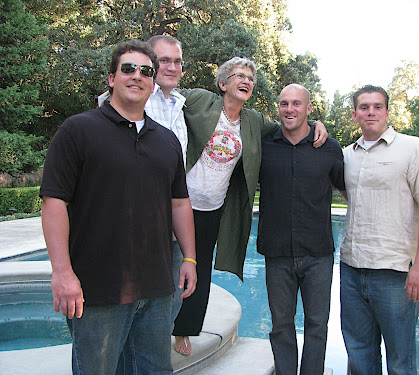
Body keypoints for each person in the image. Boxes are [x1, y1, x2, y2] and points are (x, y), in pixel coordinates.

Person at [40, 39, 196, 375]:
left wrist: (189, 258)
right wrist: (62, 272)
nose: (137, 76)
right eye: (128, 68)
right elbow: (54, 202)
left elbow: (180, 203)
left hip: (156, 288)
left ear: (154, 83)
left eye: (146, 71)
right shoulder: (78, 130)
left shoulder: (166, 141)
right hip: (97, 290)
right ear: (111, 78)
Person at [172, 58, 329, 355]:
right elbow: (167, 97)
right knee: (167, 263)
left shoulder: (254, 121)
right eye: (238, 76)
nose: (246, 81)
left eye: (250, 78)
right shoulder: (201, 101)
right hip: (180, 202)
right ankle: (154, 322)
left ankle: (184, 330)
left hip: (212, 209)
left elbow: (288, 125)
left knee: (200, 268)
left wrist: (317, 123)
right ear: (223, 84)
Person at [340, 85, 419, 375]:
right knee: (359, 355)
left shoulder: (413, 149)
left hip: (395, 273)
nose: (371, 112)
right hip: (351, 269)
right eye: (364, 107)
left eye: (377, 106)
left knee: (400, 359)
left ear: (387, 112)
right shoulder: (346, 156)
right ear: (355, 115)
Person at [98, 34, 188, 333]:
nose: (171, 67)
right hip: (128, 225)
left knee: (167, 300)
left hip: (170, 222)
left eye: (177, 61)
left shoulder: (183, 104)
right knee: (119, 312)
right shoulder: (125, 103)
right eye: (164, 61)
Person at [257, 84, 345, 375]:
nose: (290, 109)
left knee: (317, 326)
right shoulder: (264, 145)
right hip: (277, 253)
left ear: (309, 109)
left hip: (318, 254)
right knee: (281, 325)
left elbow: (351, 190)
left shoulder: (329, 148)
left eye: (297, 104)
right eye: (284, 104)